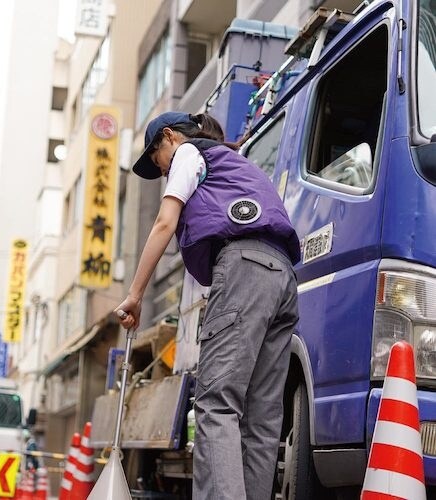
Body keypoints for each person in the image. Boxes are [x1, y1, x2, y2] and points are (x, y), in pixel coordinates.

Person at [115, 111, 300, 500]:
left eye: (158, 161)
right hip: (282, 277)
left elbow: (164, 223)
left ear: (170, 137)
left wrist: (135, 294)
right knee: (262, 418)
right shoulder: (235, 163)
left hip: (243, 270)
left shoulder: (188, 153)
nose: (162, 171)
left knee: (217, 404)